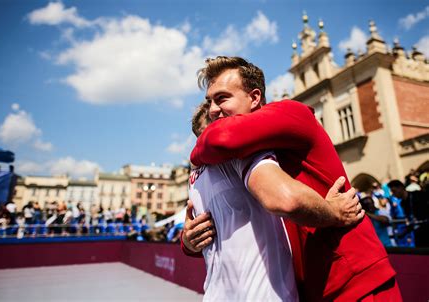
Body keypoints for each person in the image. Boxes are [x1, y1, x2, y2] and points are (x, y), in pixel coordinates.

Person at [183, 56, 401, 301]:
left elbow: (218, 138)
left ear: (255, 97)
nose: (212, 110)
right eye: (209, 101)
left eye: (222, 98)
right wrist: (188, 241)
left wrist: (333, 211)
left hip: (354, 281)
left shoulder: (292, 112)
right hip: (310, 286)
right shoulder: (240, 153)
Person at [188, 102, 363, 300]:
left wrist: (187, 242)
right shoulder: (236, 156)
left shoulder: (195, 177)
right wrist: (333, 211)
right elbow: (287, 200)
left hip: (221, 294)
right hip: (263, 294)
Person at [388, 179, 429, 247]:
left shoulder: (417, 194)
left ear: (400, 188)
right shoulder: (403, 203)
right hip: (418, 232)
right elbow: (411, 220)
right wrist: (404, 233)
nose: (394, 194)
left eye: (394, 191)